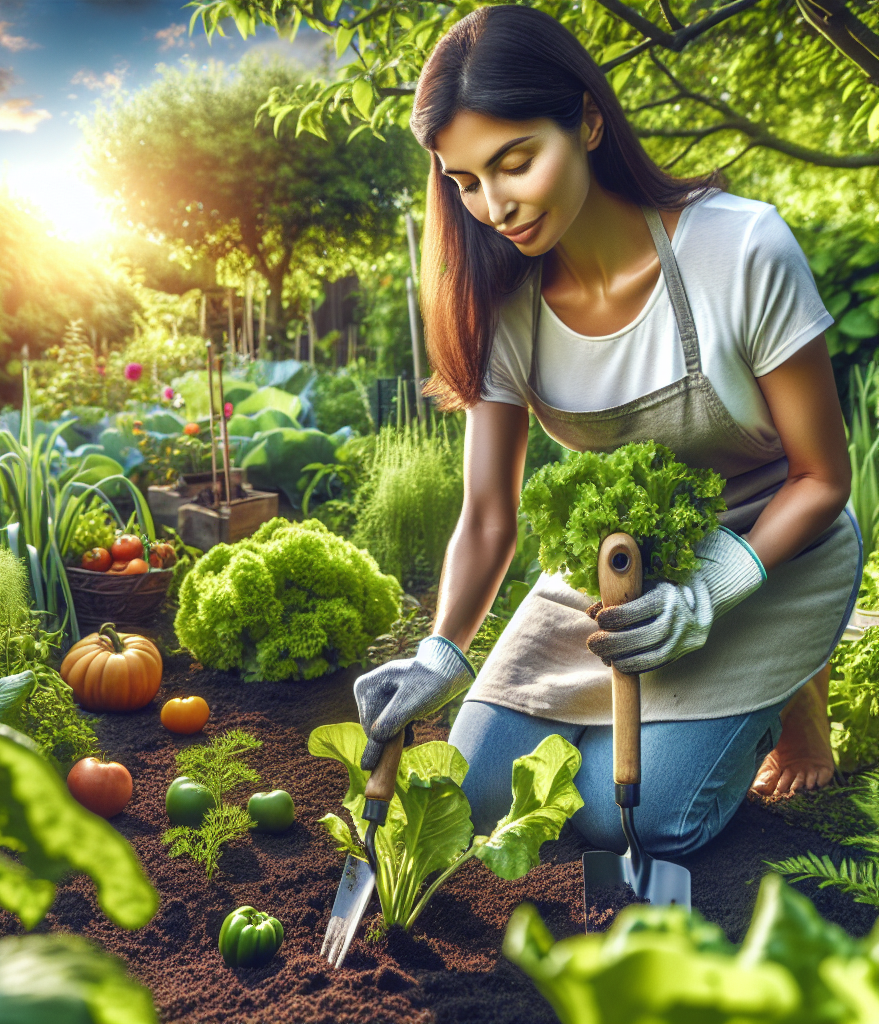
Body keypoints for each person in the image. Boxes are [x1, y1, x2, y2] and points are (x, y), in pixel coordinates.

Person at [353, 5, 861, 858]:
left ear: (588, 120)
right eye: (465, 181)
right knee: (478, 795)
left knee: (648, 818)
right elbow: (487, 514)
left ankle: (787, 686)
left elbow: (823, 478)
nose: (495, 205)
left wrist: (708, 592)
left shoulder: (739, 249)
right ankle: (725, 700)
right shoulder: (503, 303)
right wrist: (441, 650)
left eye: (515, 163)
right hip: (618, 565)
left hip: (773, 550)